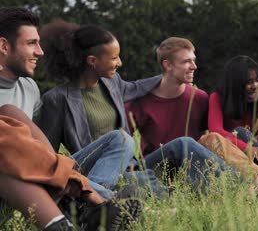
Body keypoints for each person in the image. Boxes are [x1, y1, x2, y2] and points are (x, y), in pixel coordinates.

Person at [39, 21, 228, 192]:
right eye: (114, 58)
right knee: (122, 142)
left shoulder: (112, 84)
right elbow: (47, 154)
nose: (119, 63)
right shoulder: (56, 99)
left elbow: (137, 87)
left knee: (183, 144)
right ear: (92, 61)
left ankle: (243, 187)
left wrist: (171, 76)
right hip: (97, 170)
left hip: (131, 165)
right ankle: (100, 195)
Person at [0, 7, 132, 199]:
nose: (40, 52)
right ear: (4, 46)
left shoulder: (30, 88)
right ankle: (107, 201)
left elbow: (44, 148)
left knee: (121, 139)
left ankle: (91, 197)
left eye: (39, 43)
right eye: (31, 43)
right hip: (15, 178)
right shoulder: (55, 97)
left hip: (45, 170)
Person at [0, 104, 141, 231]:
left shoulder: (26, 88)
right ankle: (97, 204)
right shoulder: (57, 97)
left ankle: (82, 205)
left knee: (121, 138)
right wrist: (81, 185)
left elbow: (39, 150)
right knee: (13, 155)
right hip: (19, 173)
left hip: (43, 165)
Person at [125, 37, 208, 155]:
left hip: (193, 165)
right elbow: (121, 140)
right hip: (156, 166)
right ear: (168, 65)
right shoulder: (139, 103)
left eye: (193, 60)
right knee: (183, 143)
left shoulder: (200, 98)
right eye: (186, 61)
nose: (194, 66)